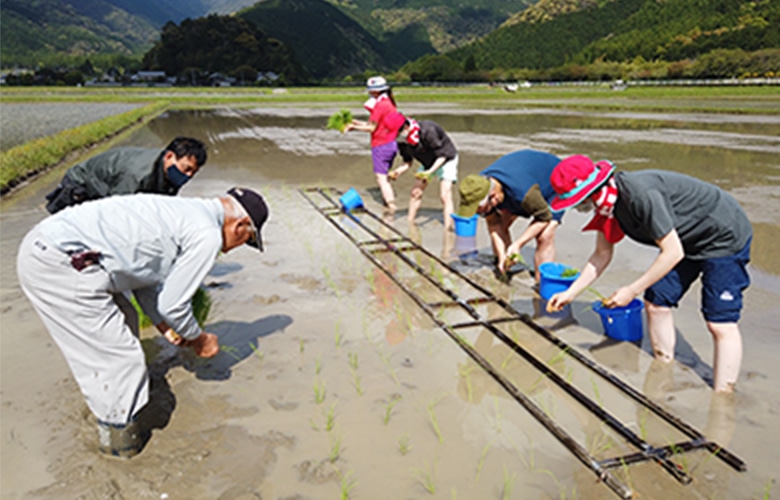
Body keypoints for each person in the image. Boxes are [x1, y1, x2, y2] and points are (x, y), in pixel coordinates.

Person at [17, 187, 269, 457]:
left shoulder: (182, 211)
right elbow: (174, 304)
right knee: (120, 360)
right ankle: (119, 448)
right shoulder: (206, 234)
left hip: (46, 246)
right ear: (241, 225)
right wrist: (200, 338)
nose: (233, 250)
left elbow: (142, 274)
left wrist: (163, 326)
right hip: (60, 263)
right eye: (247, 239)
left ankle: (112, 408)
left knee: (126, 320)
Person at [545, 155, 752, 393]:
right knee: (656, 303)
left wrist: (631, 290)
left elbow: (672, 253)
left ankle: (723, 395)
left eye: (579, 202)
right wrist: (570, 292)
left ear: (593, 190)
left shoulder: (639, 196)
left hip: (723, 235)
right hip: (685, 239)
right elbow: (602, 255)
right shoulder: (607, 206)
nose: (578, 208)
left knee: (719, 323)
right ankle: (662, 368)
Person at [456, 149, 563, 279]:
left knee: (545, 235)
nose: (480, 214)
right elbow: (494, 223)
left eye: (481, 209)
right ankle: (505, 266)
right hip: (522, 178)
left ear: (493, 197)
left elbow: (544, 218)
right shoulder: (479, 187)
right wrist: (502, 256)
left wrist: (518, 244)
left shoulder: (524, 193)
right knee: (502, 223)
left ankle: (542, 282)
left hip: (556, 182)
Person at [44, 136, 208, 214]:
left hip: (109, 190)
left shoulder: (168, 173)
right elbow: (116, 213)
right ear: (169, 157)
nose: (189, 175)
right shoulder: (137, 176)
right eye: (186, 169)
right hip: (81, 185)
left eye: (193, 172)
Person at [344, 76, 405, 212]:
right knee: (385, 176)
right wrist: (354, 121)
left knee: (381, 178)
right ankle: (387, 202)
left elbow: (371, 128)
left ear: (375, 92)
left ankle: (391, 206)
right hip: (391, 145)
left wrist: (353, 128)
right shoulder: (389, 103)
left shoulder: (379, 106)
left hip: (381, 145)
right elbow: (374, 125)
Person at [388, 117, 459, 230]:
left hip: (446, 159)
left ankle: (448, 228)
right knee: (415, 193)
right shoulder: (403, 142)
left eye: (396, 134)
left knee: (444, 195)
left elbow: (442, 155)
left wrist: (429, 172)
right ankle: (410, 224)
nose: (395, 137)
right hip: (428, 163)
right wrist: (397, 171)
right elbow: (407, 162)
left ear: (406, 127)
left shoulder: (428, 130)